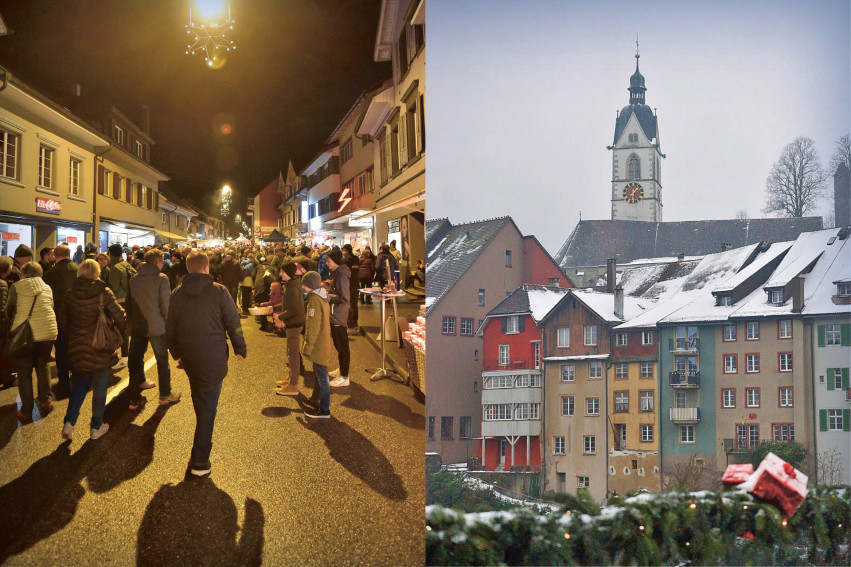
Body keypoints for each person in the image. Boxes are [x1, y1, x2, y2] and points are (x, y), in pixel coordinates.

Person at [167, 251, 246, 478]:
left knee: (202, 400)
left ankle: (200, 451)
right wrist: (240, 347)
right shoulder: (219, 291)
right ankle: (200, 461)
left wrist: (176, 353)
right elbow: (233, 321)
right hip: (213, 356)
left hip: (190, 358)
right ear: (206, 267)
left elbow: (170, 326)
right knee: (208, 409)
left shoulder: (177, 294)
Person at [60, 259, 126, 440]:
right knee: (100, 387)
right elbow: (120, 315)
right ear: (97, 272)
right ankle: (96, 427)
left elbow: (63, 321)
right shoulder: (103, 292)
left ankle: (69, 422)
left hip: (77, 345)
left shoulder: (69, 293)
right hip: (100, 345)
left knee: (80, 384)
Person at [126, 249, 181, 410]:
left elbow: (129, 304)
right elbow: (166, 305)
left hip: (137, 326)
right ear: (157, 262)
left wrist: (133, 320)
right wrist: (170, 324)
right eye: (161, 261)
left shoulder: (134, 279)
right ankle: (165, 394)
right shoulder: (161, 279)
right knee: (162, 361)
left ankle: (134, 398)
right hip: (157, 326)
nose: (162, 263)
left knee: (135, 360)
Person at [6, 262, 57, 421]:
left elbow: (9, 310)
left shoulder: (16, 287)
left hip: (25, 334)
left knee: (24, 371)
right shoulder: (47, 287)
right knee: (43, 365)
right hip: (48, 331)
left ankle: (26, 409)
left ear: (24, 273)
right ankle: (46, 400)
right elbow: (51, 305)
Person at [42, 245, 78, 398]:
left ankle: (63, 383)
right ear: (69, 254)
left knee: (61, 350)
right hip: (78, 316)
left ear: (55, 256)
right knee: (77, 348)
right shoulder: (79, 270)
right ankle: (77, 378)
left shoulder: (49, 274)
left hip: (58, 317)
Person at [299, 271, 332, 419]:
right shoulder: (322, 297)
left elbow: (313, 326)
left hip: (318, 343)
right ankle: (315, 399)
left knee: (323, 376)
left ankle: (324, 410)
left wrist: (307, 346)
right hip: (323, 341)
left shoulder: (314, 300)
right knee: (319, 374)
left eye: (304, 285)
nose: (303, 288)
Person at [273, 262, 305, 396]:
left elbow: (294, 309)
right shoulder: (293, 284)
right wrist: (273, 308)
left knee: (293, 355)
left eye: (282, 272)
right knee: (291, 353)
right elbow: (290, 304)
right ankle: (291, 378)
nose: (281, 274)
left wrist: (280, 316)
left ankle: (293, 385)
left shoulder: (292, 287)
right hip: (294, 323)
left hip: (294, 324)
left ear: (288, 273)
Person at [106, 243, 136, 369]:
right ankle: (125, 355)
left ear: (110, 254)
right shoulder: (126, 264)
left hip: (119, 300)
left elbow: (113, 287)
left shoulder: (115, 267)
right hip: (129, 299)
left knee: (120, 328)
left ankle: (124, 356)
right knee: (125, 328)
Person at [324, 250, 351, 388]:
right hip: (336, 314)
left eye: (329, 261)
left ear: (336, 261)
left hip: (339, 315)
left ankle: (344, 377)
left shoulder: (341, 275)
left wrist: (328, 296)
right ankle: (342, 370)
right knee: (339, 345)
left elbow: (344, 297)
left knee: (342, 347)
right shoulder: (337, 274)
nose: (327, 263)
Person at [342, 244, 360, 329]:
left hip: (348, 283)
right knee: (354, 303)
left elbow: (344, 272)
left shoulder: (346, 260)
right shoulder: (356, 259)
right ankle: (355, 321)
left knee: (347, 303)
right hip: (355, 283)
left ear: (346, 250)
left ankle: (350, 322)